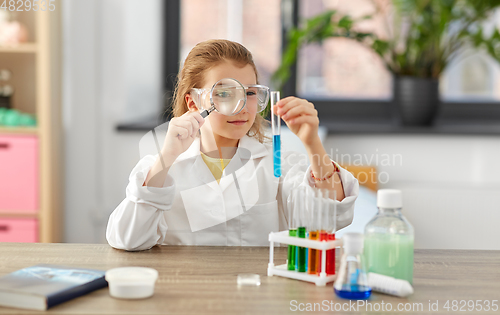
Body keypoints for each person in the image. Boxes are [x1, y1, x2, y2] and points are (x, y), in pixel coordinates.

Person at [106, 39, 359, 251]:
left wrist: (313, 143)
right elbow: (127, 239)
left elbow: (324, 222)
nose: (242, 107)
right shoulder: (160, 169)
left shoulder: (278, 162)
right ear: (194, 103)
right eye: (225, 93)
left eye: (249, 93)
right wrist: (167, 157)